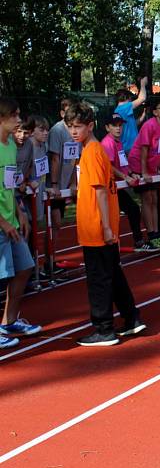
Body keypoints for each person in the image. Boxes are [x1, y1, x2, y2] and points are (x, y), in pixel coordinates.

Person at [65, 102, 145, 346]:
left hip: (96, 227)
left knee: (99, 278)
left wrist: (107, 227)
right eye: (70, 127)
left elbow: (100, 190)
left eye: (78, 126)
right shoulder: (91, 151)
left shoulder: (92, 151)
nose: (73, 131)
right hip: (100, 225)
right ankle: (131, 317)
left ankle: (103, 328)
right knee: (113, 273)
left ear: (90, 126)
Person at [0, 98, 42, 348]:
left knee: (25, 267)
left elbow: (9, 184)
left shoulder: (11, 147)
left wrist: (20, 212)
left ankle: (9, 321)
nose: (19, 120)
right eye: (14, 115)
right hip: (2, 224)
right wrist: (4, 223)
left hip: (12, 219)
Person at [127, 99, 160, 249]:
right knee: (147, 198)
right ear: (155, 112)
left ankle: (157, 234)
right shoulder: (149, 126)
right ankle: (151, 235)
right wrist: (143, 172)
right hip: (139, 163)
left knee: (155, 199)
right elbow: (144, 150)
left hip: (153, 165)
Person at [100, 114, 148, 251]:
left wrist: (131, 173)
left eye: (120, 125)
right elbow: (109, 166)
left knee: (131, 210)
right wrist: (125, 177)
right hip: (111, 187)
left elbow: (123, 163)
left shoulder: (118, 142)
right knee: (129, 210)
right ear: (107, 128)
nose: (118, 128)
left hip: (118, 186)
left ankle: (135, 241)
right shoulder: (108, 143)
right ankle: (134, 241)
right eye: (114, 125)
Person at [46, 98, 80, 273]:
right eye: (68, 113)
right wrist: (54, 184)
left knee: (57, 225)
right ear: (61, 114)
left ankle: (51, 260)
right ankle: (48, 261)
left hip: (66, 183)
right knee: (55, 223)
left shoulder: (77, 130)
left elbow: (75, 158)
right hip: (53, 185)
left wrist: (73, 182)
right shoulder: (57, 131)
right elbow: (54, 158)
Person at [114, 77, 148, 155]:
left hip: (126, 148)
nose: (131, 101)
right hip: (131, 148)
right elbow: (142, 98)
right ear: (127, 98)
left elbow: (133, 125)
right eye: (130, 99)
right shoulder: (125, 108)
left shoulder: (117, 111)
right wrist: (142, 84)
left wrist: (143, 115)